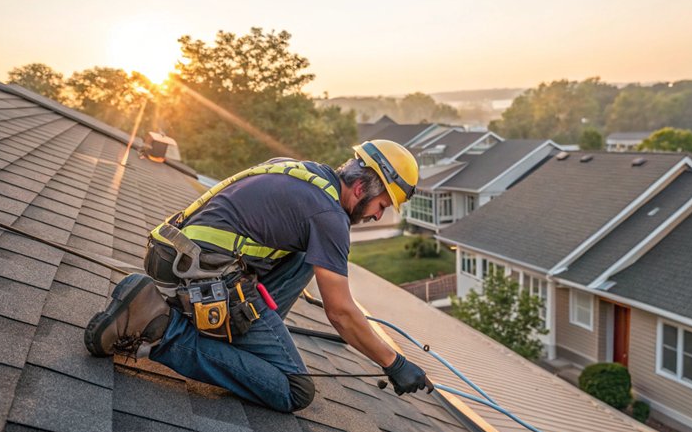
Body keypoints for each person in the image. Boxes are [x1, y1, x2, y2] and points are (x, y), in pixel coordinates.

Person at [84, 140, 433, 412]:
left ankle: (234, 333)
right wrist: (394, 362)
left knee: (304, 258)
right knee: (294, 390)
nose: (377, 216)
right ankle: (161, 330)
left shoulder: (299, 171)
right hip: (201, 274)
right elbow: (340, 312)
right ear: (361, 189)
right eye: (382, 206)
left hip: (171, 255)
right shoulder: (329, 217)